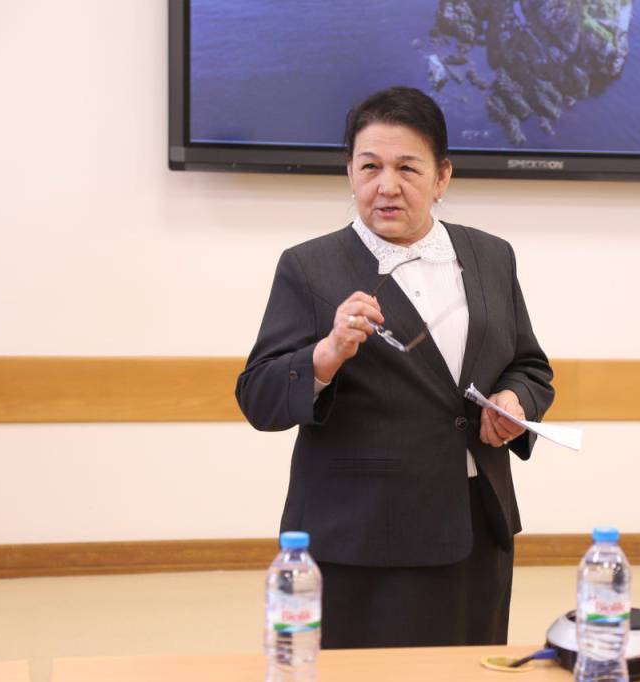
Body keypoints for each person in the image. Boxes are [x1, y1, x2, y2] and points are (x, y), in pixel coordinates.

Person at [235, 86, 554, 649]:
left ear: (442, 176)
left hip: (475, 520)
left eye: (407, 168)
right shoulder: (308, 266)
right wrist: (326, 355)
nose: (387, 185)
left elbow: (529, 366)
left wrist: (515, 401)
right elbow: (259, 397)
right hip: (360, 533)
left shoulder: (491, 256)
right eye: (370, 167)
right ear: (350, 173)